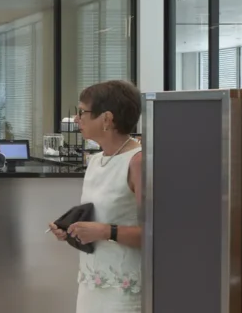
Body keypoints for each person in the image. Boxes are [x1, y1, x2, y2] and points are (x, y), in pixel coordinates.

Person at [49, 80, 143, 313]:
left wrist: (104, 231)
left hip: (124, 290)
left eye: (82, 112)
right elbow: (101, 215)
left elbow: (157, 234)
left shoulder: (138, 161)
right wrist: (73, 229)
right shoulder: (96, 160)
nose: (77, 119)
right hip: (93, 282)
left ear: (107, 119)